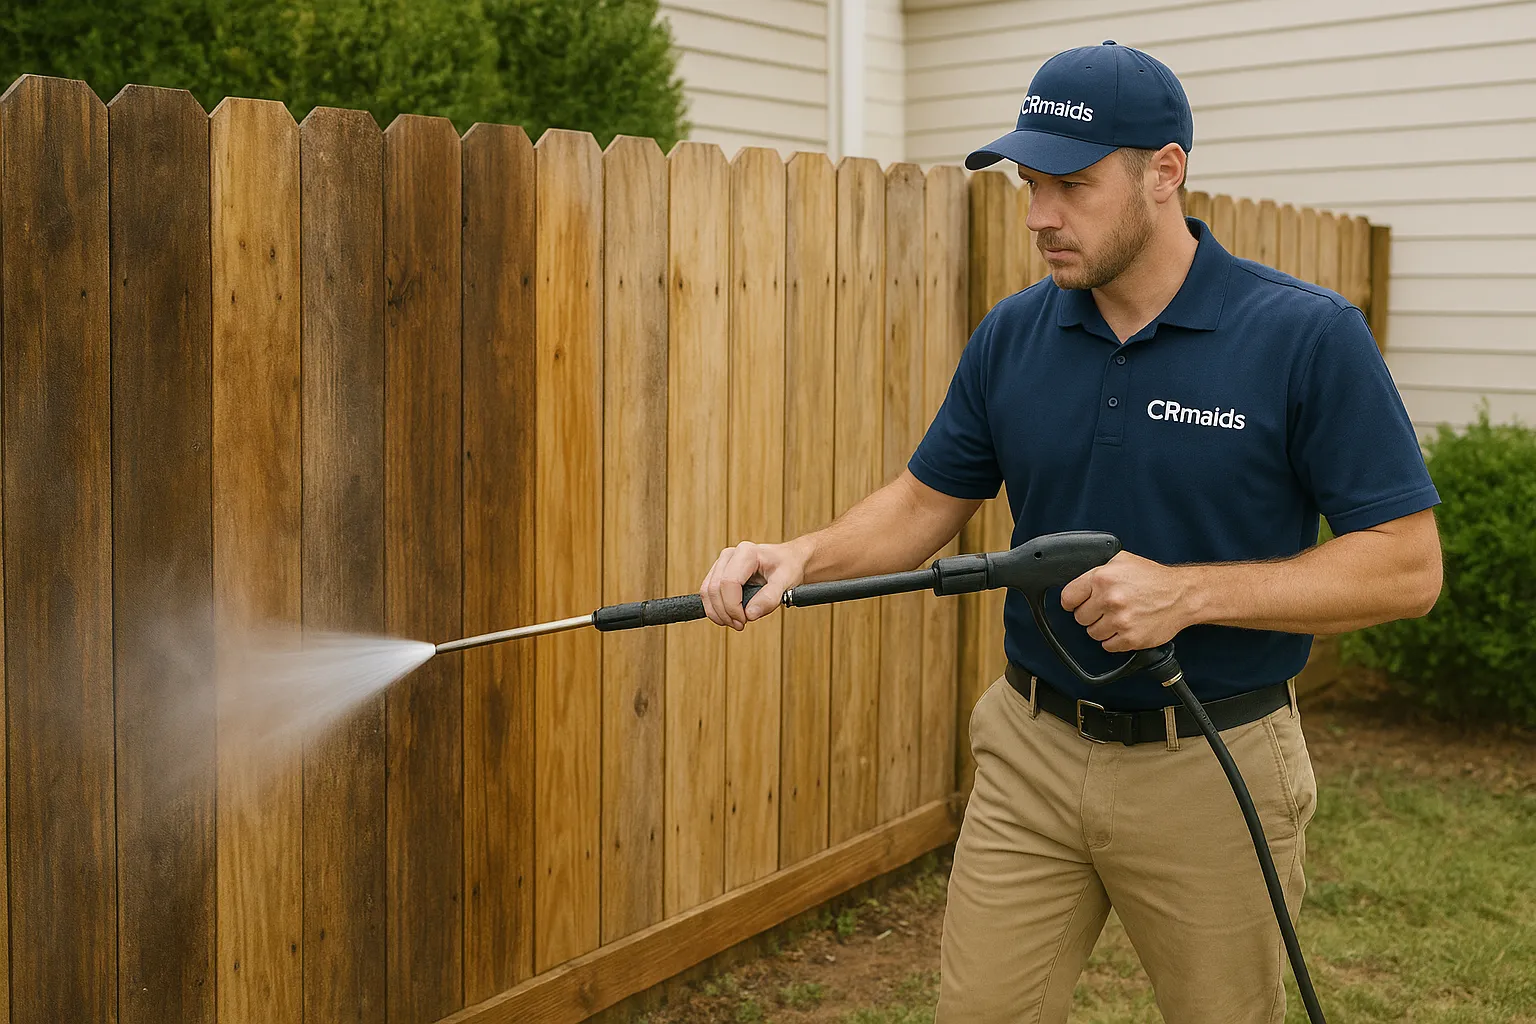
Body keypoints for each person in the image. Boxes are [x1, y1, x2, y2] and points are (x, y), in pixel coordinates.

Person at [697, 40, 1442, 1024]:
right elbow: (924, 504)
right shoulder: (1016, 333)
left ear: (1163, 172)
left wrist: (1189, 593)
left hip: (1211, 761)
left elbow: (1406, 567)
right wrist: (800, 556)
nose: (1042, 215)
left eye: (1073, 185)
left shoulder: (1304, 336)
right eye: (1029, 183)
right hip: (1029, 751)